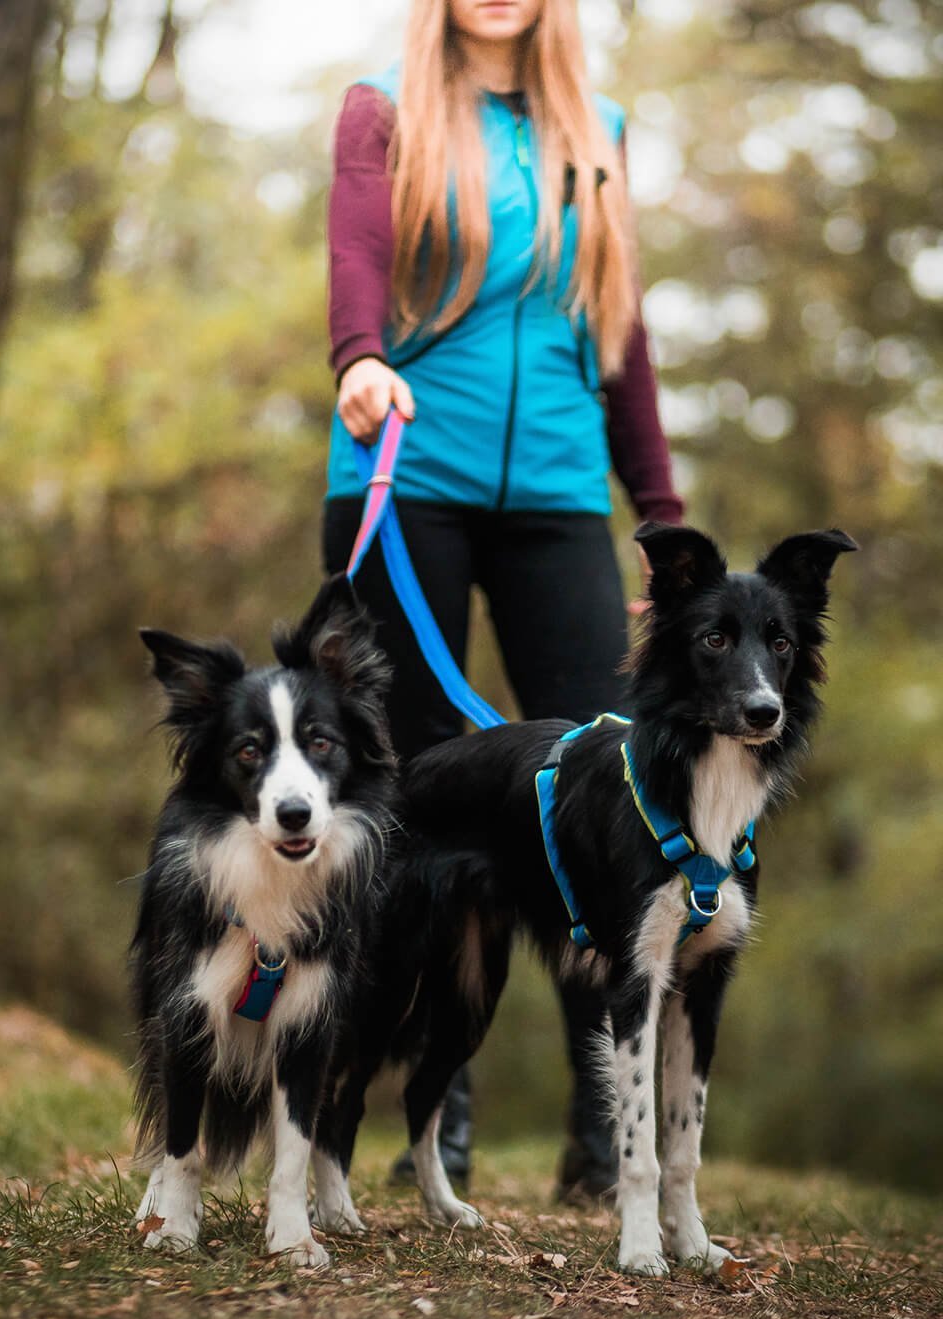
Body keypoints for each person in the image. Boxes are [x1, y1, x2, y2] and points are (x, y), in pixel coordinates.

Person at [321, 0, 683, 1201]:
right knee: (421, 796)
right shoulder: (384, 107)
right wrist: (359, 357)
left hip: (562, 492)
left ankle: (608, 1136)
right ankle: (436, 1121)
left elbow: (617, 333)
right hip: (406, 468)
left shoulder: (600, 128)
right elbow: (358, 255)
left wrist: (660, 514)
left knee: (614, 795)